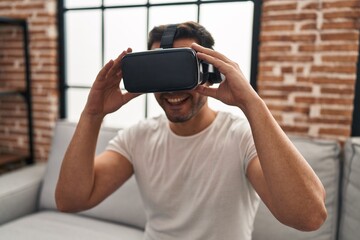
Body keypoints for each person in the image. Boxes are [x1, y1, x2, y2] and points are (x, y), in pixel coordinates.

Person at [55, 21, 327, 240]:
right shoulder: (138, 137)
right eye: (162, 70)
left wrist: (251, 102)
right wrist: (92, 114)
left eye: (181, 69)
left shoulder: (240, 137)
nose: (172, 89)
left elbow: (309, 216)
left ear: (209, 71)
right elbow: (71, 200)